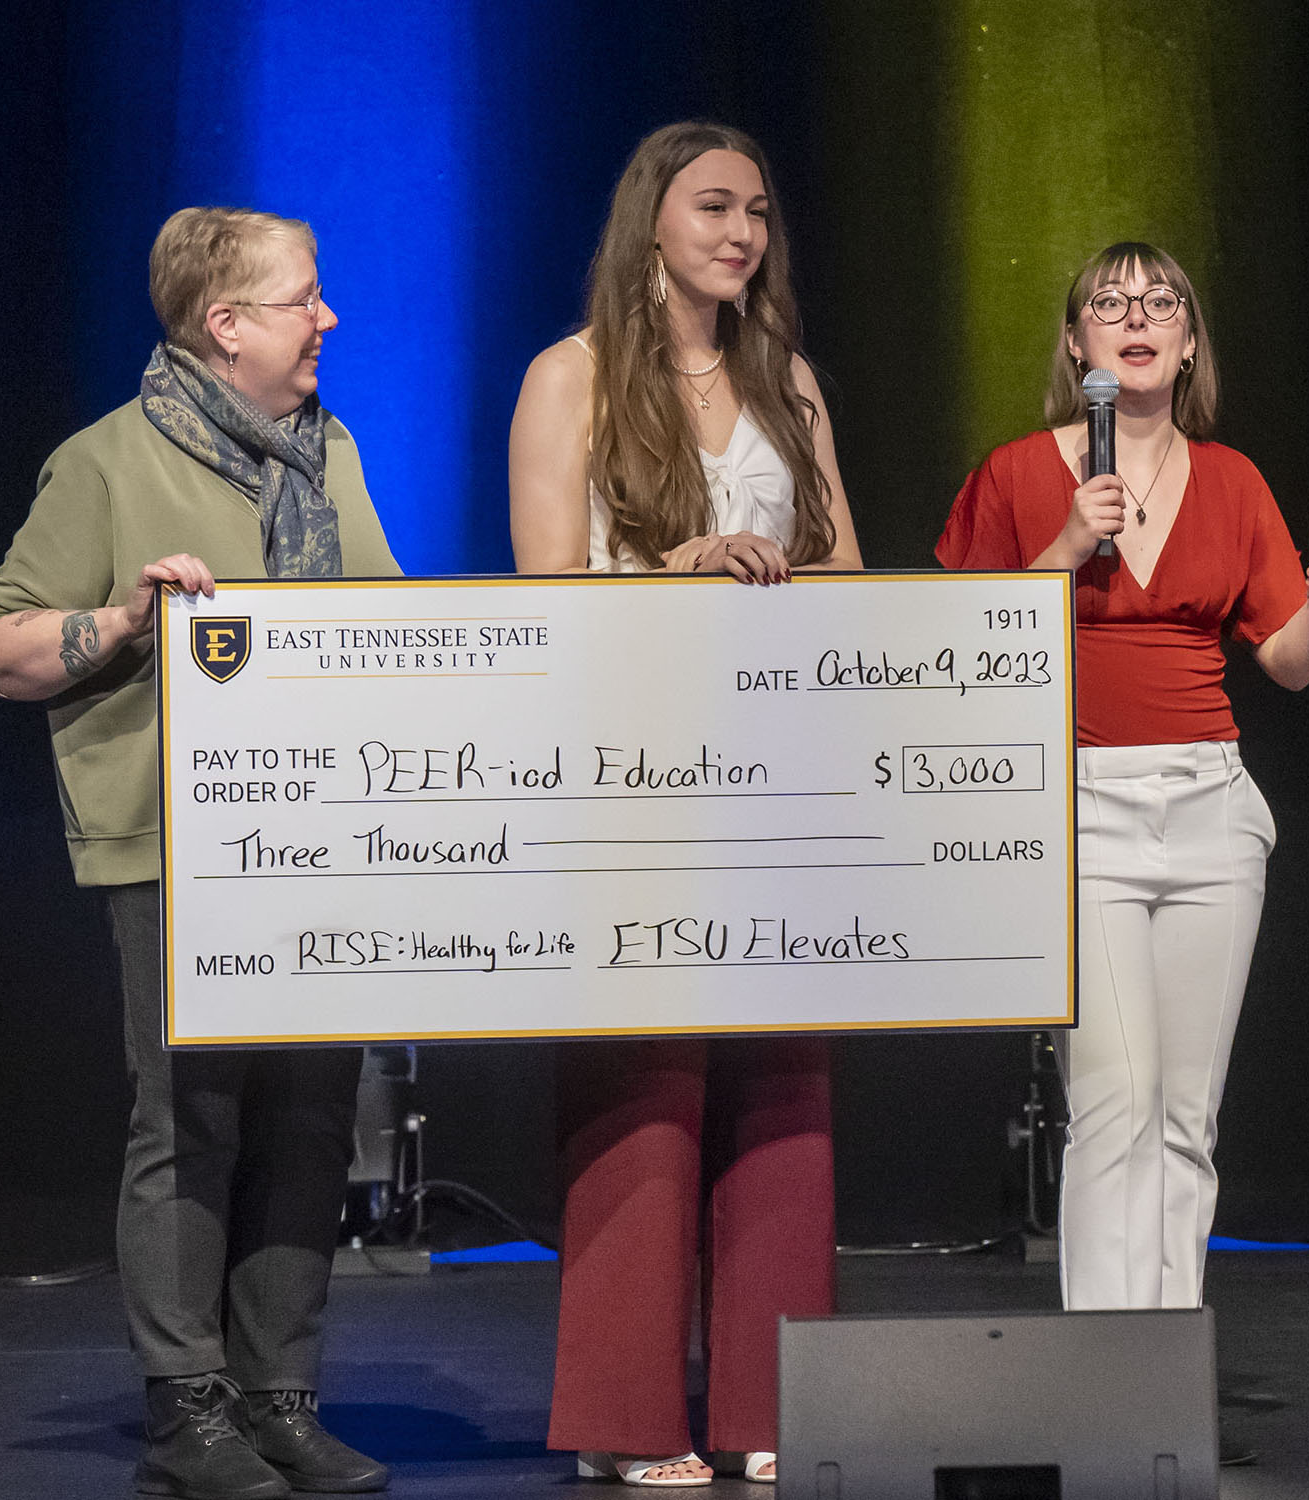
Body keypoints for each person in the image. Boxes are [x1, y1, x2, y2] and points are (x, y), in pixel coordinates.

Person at [0, 208, 397, 1499]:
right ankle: (186, 1406)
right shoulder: (104, 461)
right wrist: (120, 621)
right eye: (304, 299)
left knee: (314, 1121)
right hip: (180, 844)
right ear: (226, 325)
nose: (328, 320)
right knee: (193, 1119)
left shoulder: (329, 454)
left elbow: (387, 620)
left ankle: (280, 1395)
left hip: (325, 838)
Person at [509, 121, 862, 1487]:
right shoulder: (572, 378)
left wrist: (777, 572)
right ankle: (626, 1416)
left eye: (760, 214)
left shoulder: (790, 384)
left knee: (784, 1075)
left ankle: (774, 1405)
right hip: (627, 763)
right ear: (651, 217)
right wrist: (675, 571)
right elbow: (543, 590)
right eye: (717, 207)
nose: (742, 234)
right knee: (641, 1080)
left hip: (779, 762)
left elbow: (847, 569)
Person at [936, 242, 1309, 1313]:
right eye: (1109, 302)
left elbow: (1291, 664)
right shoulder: (1023, 473)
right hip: (1081, 807)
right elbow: (955, 652)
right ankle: (1106, 1365)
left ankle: (1164, 1358)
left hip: (1210, 804)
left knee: (1185, 1111)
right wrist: (1066, 546)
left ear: (1189, 341)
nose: (1137, 315)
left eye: (1160, 301)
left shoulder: (1233, 478)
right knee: (1114, 1099)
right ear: (1079, 344)